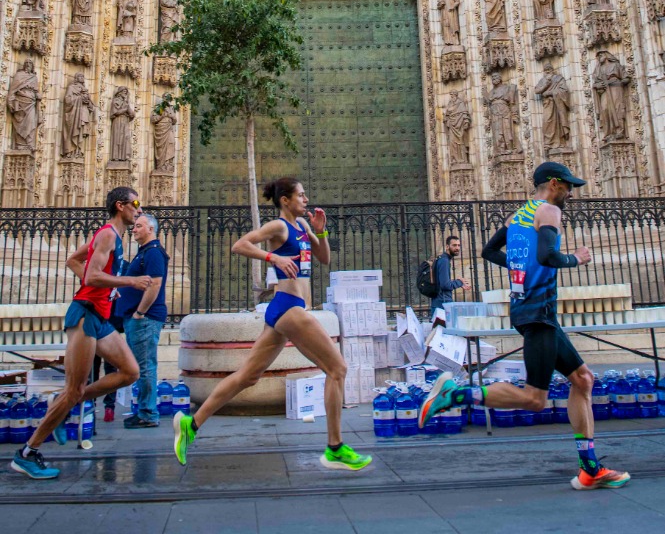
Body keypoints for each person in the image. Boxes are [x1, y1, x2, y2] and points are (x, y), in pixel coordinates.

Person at [418, 161, 630, 491]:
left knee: (583, 379)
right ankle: (455, 394)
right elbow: (548, 256)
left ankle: (590, 469)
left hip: (529, 311)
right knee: (534, 399)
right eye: (569, 186)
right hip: (538, 313)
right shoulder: (548, 211)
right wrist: (577, 258)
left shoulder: (518, 215)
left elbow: (489, 251)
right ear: (554, 184)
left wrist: (518, 264)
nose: (571, 193)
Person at [172, 177, 372, 473]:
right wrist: (272, 259)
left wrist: (322, 232)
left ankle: (192, 423)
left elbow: (324, 258)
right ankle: (335, 448)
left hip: (286, 311)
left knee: (247, 377)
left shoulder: (302, 228)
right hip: (289, 308)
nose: (306, 199)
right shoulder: (278, 227)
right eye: (301, 195)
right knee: (337, 369)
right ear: (285, 201)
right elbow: (240, 245)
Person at [10, 188, 152, 480]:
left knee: (130, 371)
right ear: (120, 205)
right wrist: (128, 282)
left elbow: (75, 261)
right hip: (85, 314)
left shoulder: (111, 236)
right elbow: (91, 275)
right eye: (135, 204)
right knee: (74, 388)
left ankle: (63, 405)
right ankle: (27, 452)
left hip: (98, 316)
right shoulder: (108, 235)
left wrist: (103, 289)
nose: (139, 209)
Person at [117, 213, 170, 428]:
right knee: (141, 366)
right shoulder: (146, 252)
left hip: (145, 319)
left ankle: (148, 413)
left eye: (139, 226)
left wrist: (140, 312)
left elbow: (154, 285)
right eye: (134, 226)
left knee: (145, 366)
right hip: (138, 318)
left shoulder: (154, 253)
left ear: (150, 229)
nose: (134, 229)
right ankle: (144, 410)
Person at [430, 234, 471, 315]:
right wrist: (460, 282)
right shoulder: (444, 261)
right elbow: (445, 285)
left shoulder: (441, 259)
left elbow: (442, 282)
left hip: (439, 302)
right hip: (443, 304)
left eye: (459, 245)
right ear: (447, 246)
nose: (457, 248)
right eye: (454, 245)